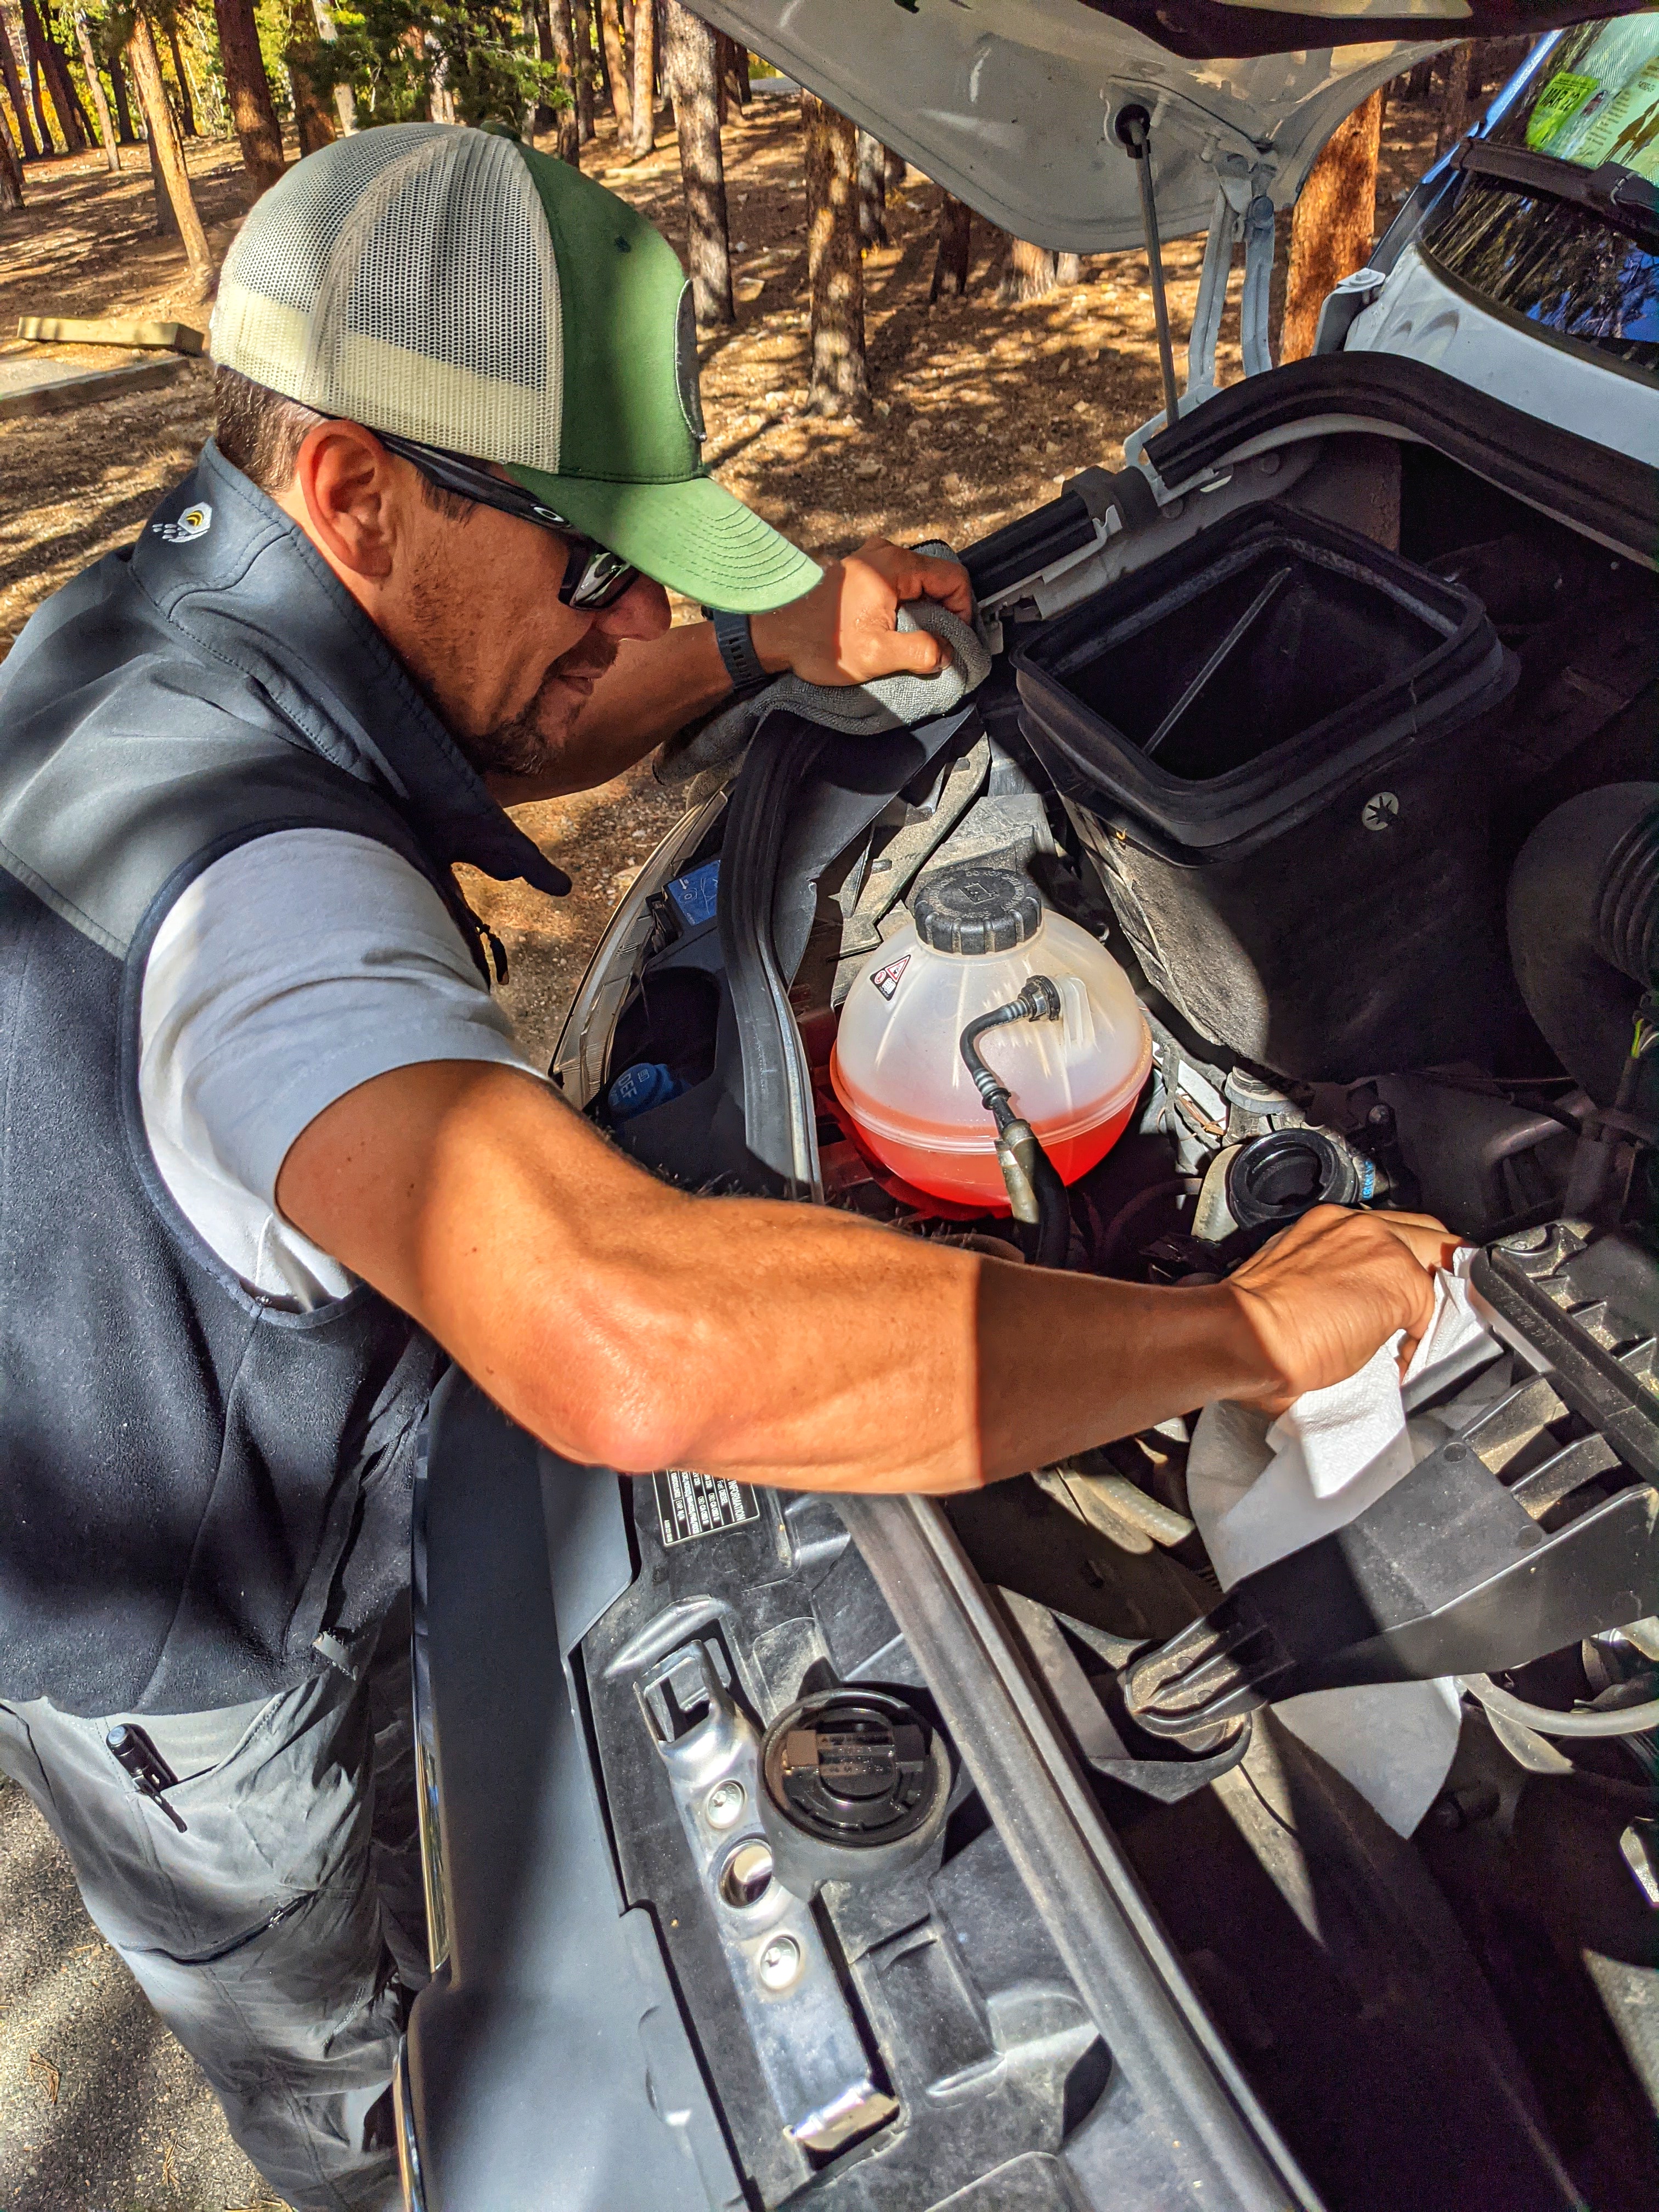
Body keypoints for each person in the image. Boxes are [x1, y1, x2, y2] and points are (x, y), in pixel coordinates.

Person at [0, 124, 1448, 2211]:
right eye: (599, 562)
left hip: (230, 1400)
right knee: (359, 2066)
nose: (643, 601)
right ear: (353, 489)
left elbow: (486, 719)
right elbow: (626, 1335)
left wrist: (765, 650)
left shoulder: (168, 619)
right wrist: (1234, 1325)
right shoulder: (269, 917)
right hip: (200, 1684)